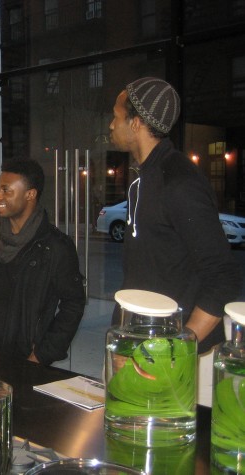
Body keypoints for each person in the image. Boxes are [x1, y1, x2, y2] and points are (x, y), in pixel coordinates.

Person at [108, 77, 242, 403]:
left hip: (168, 361)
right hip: (137, 346)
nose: (111, 125)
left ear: (136, 123)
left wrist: (176, 349)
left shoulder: (179, 183)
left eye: (116, 116)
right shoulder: (146, 179)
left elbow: (222, 277)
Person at [0, 159, 86, 365]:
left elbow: (73, 303)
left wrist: (43, 353)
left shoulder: (55, 246)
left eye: (6, 190)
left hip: (28, 358)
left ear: (30, 194)